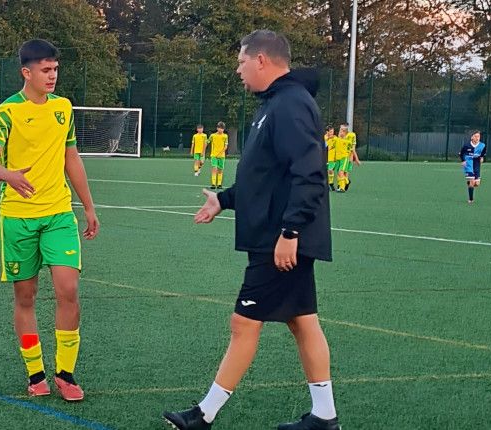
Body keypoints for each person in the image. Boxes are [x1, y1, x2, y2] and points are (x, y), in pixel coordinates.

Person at [163, 30, 339, 430]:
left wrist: (290, 232)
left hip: (281, 240)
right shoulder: (274, 103)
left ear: (261, 60)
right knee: (302, 320)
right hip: (277, 236)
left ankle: (204, 415)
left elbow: (310, 174)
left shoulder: (290, 103)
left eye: (241, 62)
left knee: (244, 323)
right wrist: (224, 200)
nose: (238, 70)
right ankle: (324, 416)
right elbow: (264, 176)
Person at [0, 39, 99, 401]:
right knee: (26, 295)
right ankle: (35, 373)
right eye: (45, 70)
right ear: (26, 72)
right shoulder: (6, 112)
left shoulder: (63, 108)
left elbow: (71, 158)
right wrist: (9, 175)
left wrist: (89, 207)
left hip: (58, 213)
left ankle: (65, 373)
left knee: (68, 289)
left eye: (55, 69)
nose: (52, 76)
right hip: (18, 218)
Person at [459, 130, 486, 203]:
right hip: (468, 163)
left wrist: (482, 157)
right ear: (472, 137)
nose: (477, 138)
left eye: (478, 136)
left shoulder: (482, 145)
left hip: (477, 164)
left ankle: (470, 182)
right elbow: (461, 153)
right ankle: (471, 199)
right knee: (472, 181)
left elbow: (483, 153)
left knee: (476, 184)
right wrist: (463, 161)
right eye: (476, 136)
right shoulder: (466, 145)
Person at [207, 122, 228, 189]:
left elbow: (225, 146)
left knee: (220, 170)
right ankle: (213, 184)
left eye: (222, 128)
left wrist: (220, 153)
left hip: (221, 156)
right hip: (214, 156)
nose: (221, 129)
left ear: (224, 129)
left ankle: (219, 184)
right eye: (219, 128)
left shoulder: (225, 136)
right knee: (214, 168)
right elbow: (207, 142)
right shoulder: (212, 135)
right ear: (217, 128)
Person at [324, 125, 337, 191]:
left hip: (332, 158)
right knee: (325, 171)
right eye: (331, 132)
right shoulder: (324, 138)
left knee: (330, 170)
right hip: (324, 158)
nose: (332, 133)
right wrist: (327, 139)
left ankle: (331, 183)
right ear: (327, 132)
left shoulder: (335, 138)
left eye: (333, 131)